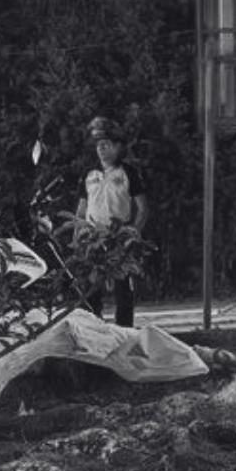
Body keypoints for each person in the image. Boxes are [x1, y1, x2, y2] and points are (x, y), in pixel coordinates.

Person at [76, 115, 148, 327]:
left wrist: (132, 233)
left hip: (118, 239)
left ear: (118, 147)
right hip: (92, 240)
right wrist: (77, 240)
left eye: (106, 144)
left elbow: (143, 208)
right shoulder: (88, 174)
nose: (101, 149)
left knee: (123, 292)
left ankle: (124, 335)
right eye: (98, 145)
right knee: (90, 293)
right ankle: (93, 334)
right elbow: (81, 209)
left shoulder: (129, 173)